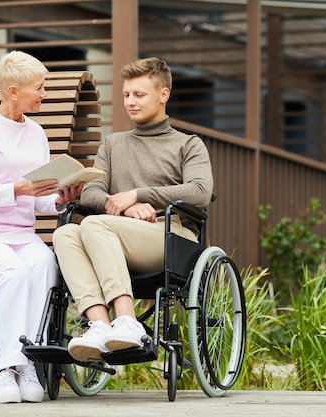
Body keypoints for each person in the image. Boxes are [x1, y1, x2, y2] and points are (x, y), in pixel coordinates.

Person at [52, 57, 214, 362]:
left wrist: (138, 194)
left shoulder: (188, 144)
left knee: (94, 225)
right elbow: (92, 191)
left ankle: (128, 321)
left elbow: (200, 192)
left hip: (169, 236)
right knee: (66, 234)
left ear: (163, 94)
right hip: (116, 232)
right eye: (126, 95)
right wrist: (128, 208)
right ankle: (100, 324)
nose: (130, 102)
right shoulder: (114, 144)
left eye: (139, 95)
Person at [0, 50, 83, 404]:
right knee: (13, 272)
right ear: (12, 91)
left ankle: (27, 361)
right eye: (39, 88)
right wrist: (16, 189)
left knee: (44, 265)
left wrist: (59, 199)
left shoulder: (36, 133)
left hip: (20, 235)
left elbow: (37, 200)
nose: (44, 94)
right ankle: (4, 370)